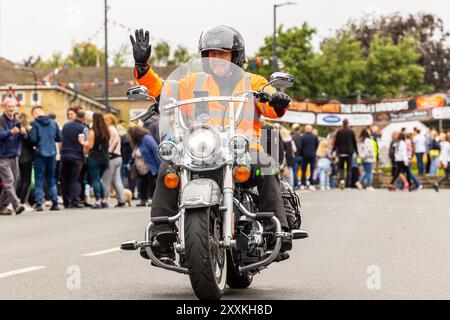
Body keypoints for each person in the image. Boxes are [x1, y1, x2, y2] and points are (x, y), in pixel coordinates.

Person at [130, 26, 292, 262]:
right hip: (201, 149)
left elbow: (272, 108)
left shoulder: (252, 82)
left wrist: (278, 100)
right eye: (211, 55)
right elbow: (162, 91)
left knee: (266, 165)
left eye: (222, 54)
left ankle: (276, 231)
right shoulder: (192, 83)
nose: (216, 59)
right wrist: (143, 68)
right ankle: (161, 235)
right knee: (167, 169)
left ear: (236, 56)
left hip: (243, 150)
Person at [30, 106, 62, 212]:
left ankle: (39, 203)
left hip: (40, 153)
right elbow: (59, 138)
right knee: (51, 179)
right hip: (52, 152)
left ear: (35, 113)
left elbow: (33, 140)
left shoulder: (35, 124)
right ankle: (55, 202)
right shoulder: (53, 122)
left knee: (39, 178)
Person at [0, 98, 26, 215]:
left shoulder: (17, 120)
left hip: (15, 155)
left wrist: (24, 133)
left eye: (12, 106)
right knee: (9, 181)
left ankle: (2, 207)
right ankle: (17, 205)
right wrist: (10, 132)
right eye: (9, 106)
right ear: (4, 107)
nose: (11, 109)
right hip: (3, 156)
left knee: (13, 182)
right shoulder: (1, 121)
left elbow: (24, 138)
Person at [79, 113, 110, 209]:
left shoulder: (93, 131)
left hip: (95, 157)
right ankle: (104, 200)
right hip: (105, 158)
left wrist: (82, 142)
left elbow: (90, 146)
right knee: (99, 179)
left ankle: (98, 201)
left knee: (95, 179)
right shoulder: (106, 131)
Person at [60, 110, 88, 209]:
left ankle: (66, 201)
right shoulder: (83, 128)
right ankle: (75, 200)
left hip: (64, 154)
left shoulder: (66, 126)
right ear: (83, 118)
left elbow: (61, 140)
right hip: (76, 156)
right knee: (75, 179)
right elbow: (86, 143)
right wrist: (84, 156)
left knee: (65, 179)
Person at [129, 126, 161, 207]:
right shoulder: (138, 142)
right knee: (143, 183)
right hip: (141, 168)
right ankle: (143, 200)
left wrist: (159, 165)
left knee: (152, 183)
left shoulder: (147, 138)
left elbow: (155, 149)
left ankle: (153, 199)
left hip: (150, 166)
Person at [101, 114, 126, 208]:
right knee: (117, 180)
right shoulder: (115, 129)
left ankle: (104, 200)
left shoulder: (110, 130)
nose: (104, 122)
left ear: (110, 121)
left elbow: (111, 143)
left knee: (106, 179)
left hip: (111, 157)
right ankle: (122, 200)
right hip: (118, 157)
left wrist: (108, 152)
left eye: (105, 120)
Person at [333, 119, 358, 189]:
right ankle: (348, 184)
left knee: (341, 168)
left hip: (341, 152)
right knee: (349, 169)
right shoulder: (351, 131)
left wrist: (333, 150)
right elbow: (354, 143)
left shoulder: (339, 131)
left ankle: (342, 180)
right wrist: (357, 151)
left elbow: (336, 142)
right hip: (349, 152)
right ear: (348, 123)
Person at [16, 113, 34, 207]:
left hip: (17, 156)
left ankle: (17, 200)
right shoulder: (28, 130)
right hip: (27, 157)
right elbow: (31, 142)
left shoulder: (16, 130)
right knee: (26, 180)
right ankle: (22, 202)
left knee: (19, 180)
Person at [299, 125, 319, 191]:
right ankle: (311, 184)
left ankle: (303, 184)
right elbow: (317, 145)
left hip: (304, 155)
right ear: (311, 129)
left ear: (305, 129)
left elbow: (300, 147)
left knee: (303, 170)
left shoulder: (302, 137)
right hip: (312, 154)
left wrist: (301, 153)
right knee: (312, 170)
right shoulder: (315, 137)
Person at [291, 124, 303, 189]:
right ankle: (301, 182)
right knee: (302, 170)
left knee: (295, 171)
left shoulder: (292, 137)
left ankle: (296, 184)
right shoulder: (302, 137)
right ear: (299, 130)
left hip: (295, 156)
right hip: (301, 156)